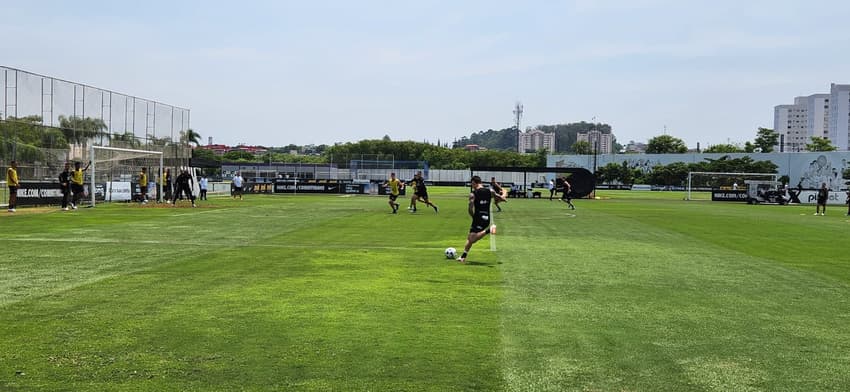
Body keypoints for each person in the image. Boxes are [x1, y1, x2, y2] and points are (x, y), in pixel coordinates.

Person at [456, 175, 507, 263]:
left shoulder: (473, 194)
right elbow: (499, 197)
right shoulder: (490, 191)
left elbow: (470, 208)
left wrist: (473, 217)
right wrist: (504, 194)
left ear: (474, 183)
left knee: (472, 239)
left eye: (472, 184)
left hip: (479, 218)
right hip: (486, 217)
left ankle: (489, 230)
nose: (472, 186)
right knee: (470, 237)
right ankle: (463, 256)